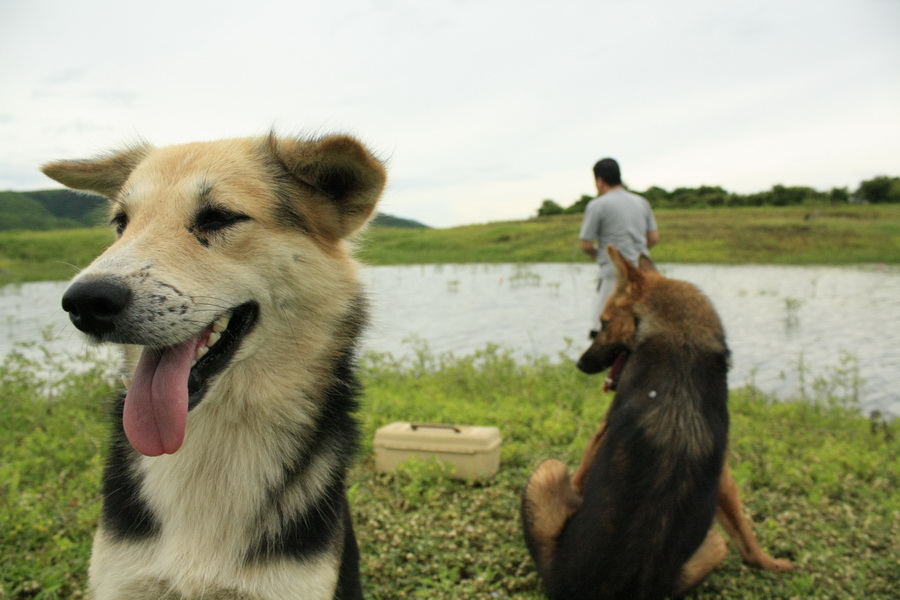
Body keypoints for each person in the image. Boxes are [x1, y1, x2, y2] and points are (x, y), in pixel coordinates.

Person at [579, 157, 659, 338]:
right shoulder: (642, 202)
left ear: (599, 180)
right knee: (641, 329)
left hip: (613, 275)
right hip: (644, 274)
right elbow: (654, 238)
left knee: (603, 329)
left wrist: (599, 254)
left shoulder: (598, 205)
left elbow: (585, 244)